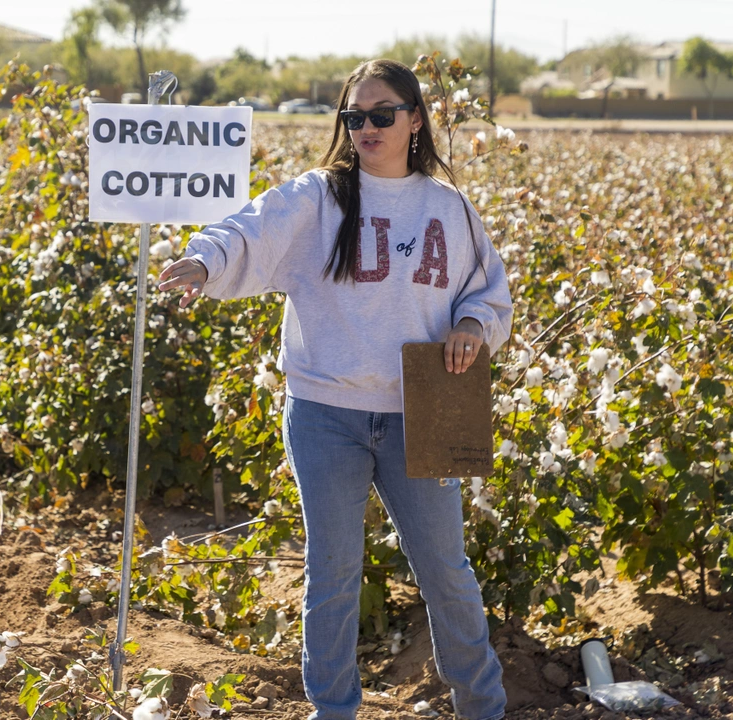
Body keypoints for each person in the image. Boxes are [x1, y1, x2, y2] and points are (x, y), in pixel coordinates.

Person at [156, 58, 513, 720]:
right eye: (354, 117)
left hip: (424, 409)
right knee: (333, 576)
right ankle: (334, 711)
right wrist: (205, 260)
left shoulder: (449, 208)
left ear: (414, 120)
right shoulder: (317, 198)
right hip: (325, 414)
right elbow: (249, 228)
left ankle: (482, 708)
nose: (366, 128)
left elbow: (487, 296)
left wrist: (470, 327)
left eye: (381, 115)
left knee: (447, 574)